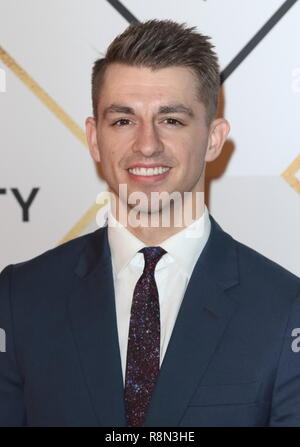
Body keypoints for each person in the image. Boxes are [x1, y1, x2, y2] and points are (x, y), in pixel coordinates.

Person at [0, 19, 300, 428]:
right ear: (93, 138)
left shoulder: (284, 308)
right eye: (123, 120)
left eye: (171, 120)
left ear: (213, 139)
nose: (147, 144)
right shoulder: (20, 298)